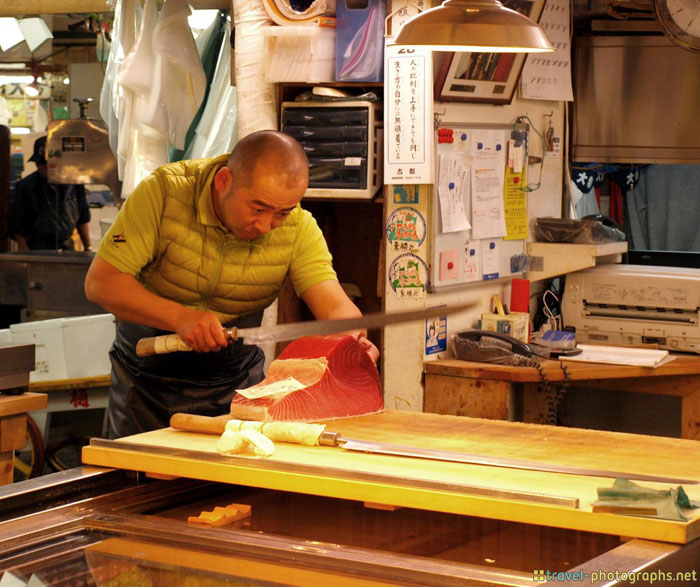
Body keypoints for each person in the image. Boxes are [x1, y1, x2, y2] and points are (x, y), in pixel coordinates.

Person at [85, 130, 379, 438]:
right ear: (224, 181)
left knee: (236, 482)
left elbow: (332, 303)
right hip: (146, 377)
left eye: (282, 213)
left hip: (236, 381)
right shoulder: (163, 194)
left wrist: (351, 340)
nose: (266, 226)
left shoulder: (298, 227)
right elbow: (102, 283)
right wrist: (180, 318)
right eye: (258, 209)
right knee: (137, 478)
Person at [11, 136, 92, 251]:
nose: (41, 167)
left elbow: (83, 219)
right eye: (39, 163)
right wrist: (25, 253)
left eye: (46, 164)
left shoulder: (74, 183)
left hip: (67, 248)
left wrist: (88, 247)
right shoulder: (26, 186)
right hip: (37, 248)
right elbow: (17, 225)